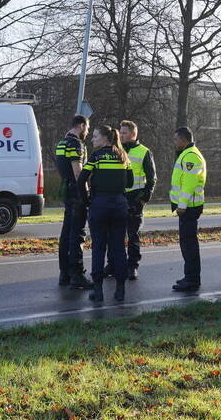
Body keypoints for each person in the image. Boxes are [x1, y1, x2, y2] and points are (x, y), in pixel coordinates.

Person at [77, 125, 133, 303]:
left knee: (99, 248)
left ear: (105, 139)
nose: (92, 139)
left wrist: (87, 202)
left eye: (95, 137)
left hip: (99, 206)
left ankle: (98, 291)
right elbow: (130, 182)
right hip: (119, 205)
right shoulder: (123, 156)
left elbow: (81, 181)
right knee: (118, 248)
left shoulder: (96, 156)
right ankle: (120, 290)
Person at [54, 116, 93, 289]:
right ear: (82, 125)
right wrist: (85, 195)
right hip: (76, 192)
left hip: (66, 190)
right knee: (77, 234)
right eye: (88, 127)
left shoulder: (62, 142)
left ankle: (65, 273)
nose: (88, 131)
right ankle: (77, 274)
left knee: (66, 233)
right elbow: (78, 172)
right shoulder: (76, 144)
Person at [170, 127, 207, 292]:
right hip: (189, 207)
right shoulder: (188, 154)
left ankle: (192, 280)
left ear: (183, 139)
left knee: (189, 245)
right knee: (188, 243)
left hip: (189, 208)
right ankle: (190, 277)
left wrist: (181, 205)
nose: (175, 142)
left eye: (176, 139)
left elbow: (189, 183)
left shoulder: (191, 155)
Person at [120, 120, 156, 280]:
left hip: (135, 198)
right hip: (119, 198)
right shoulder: (117, 150)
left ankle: (132, 266)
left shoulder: (144, 151)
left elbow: (152, 178)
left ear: (133, 134)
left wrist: (143, 199)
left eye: (124, 133)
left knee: (133, 235)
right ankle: (114, 265)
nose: (121, 135)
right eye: (120, 133)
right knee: (115, 235)